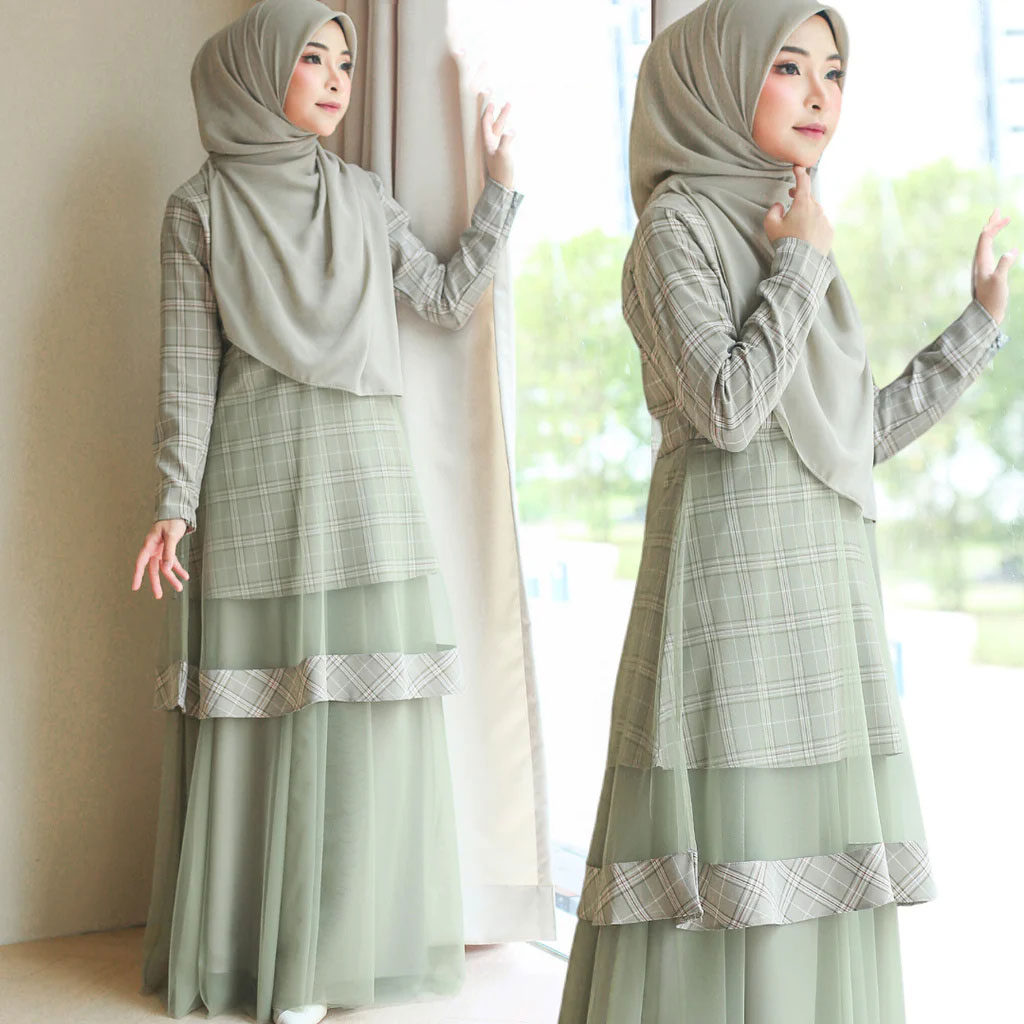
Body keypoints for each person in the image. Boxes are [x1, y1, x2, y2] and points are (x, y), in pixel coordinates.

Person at [558, 2, 1014, 1021]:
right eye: (790, 66)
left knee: (811, 879)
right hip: (725, 603)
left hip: (822, 601)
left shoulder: (790, 219)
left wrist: (977, 324)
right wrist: (800, 261)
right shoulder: (675, 228)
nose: (820, 95)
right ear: (717, 78)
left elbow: (851, 433)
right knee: (720, 874)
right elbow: (728, 409)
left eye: (834, 72)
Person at [130, 2, 520, 1022]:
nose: (339, 76)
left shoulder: (360, 194)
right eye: (315, 56)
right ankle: (274, 965)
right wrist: (173, 502)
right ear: (261, 73)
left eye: (347, 59)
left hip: (365, 479)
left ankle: (340, 951)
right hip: (256, 478)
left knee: (358, 724)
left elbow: (443, 298)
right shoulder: (198, 209)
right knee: (269, 720)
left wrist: (501, 189)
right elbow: (187, 372)